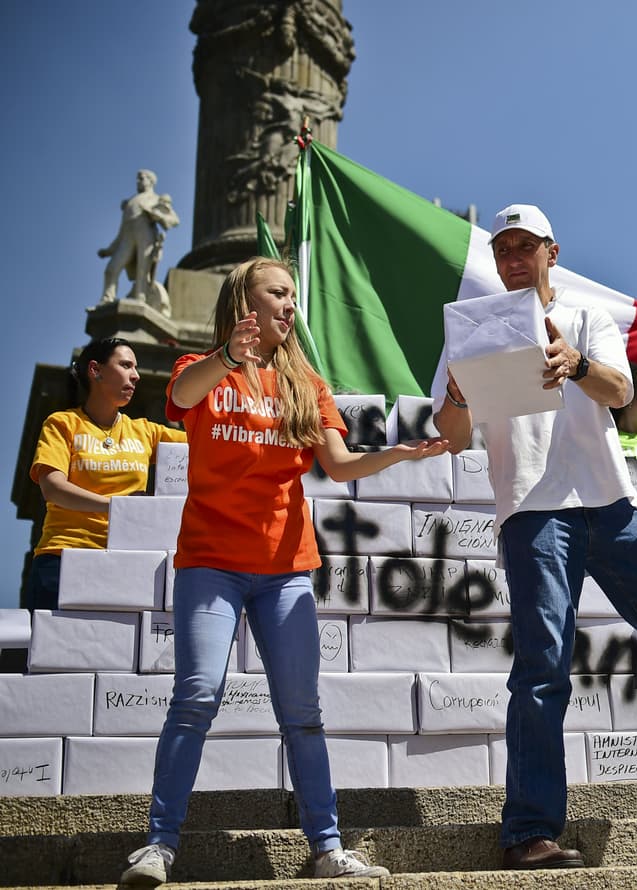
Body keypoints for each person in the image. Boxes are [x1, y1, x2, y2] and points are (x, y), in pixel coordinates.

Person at [434, 204, 637, 871]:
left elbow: (620, 391)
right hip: (532, 510)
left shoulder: (589, 318)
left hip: (612, 503)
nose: (513, 258)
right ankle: (529, 829)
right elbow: (449, 432)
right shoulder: (473, 331)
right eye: (503, 250)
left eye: (526, 246)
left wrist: (574, 362)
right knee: (542, 667)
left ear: (552, 252)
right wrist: (464, 392)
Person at [120, 258, 450, 886]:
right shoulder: (201, 370)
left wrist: (402, 453)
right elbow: (182, 400)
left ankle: (327, 848)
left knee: (302, 712)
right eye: (278, 292)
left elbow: (340, 465)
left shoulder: (305, 381)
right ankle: (159, 847)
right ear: (244, 300)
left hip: (284, 568)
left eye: (293, 295)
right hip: (210, 561)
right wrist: (228, 354)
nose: (290, 304)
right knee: (195, 697)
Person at [26, 337, 186, 610]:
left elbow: (206, 443)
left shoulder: (147, 432)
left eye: (136, 368)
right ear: (95, 370)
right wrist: (119, 507)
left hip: (125, 562)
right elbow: (52, 487)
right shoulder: (63, 424)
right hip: (62, 558)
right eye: (125, 365)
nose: (135, 376)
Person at [99, 169, 180, 313]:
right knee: (111, 269)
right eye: (138, 179)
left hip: (146, 237)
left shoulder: (156, 199)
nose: (138, 182)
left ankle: (140, 299)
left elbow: (173, 220)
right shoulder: (131, 202)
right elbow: (122, 232)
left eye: (141, 179)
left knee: (143, 271)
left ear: (150, 181)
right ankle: (107, 299)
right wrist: (109, 250)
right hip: (128, 239)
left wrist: (155, 214)